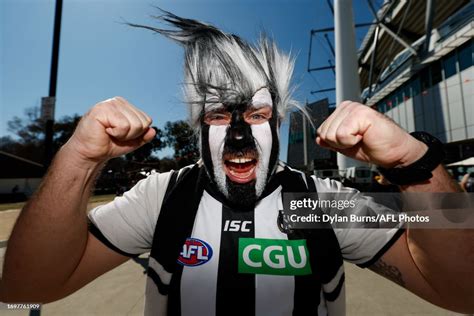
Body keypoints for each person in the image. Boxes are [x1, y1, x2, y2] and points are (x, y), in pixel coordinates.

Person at [1, 11, 473, 316]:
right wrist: (77, 158)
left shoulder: (317, 204)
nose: (240, 133)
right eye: (219, 114)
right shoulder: (163, 198)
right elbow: (23, 285)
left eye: (258, 114)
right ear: (198, 127)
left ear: (280, 123)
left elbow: (464, 290)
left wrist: (415, 162)